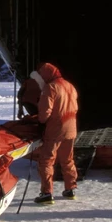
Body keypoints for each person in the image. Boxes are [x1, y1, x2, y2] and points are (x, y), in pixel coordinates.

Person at [34, 63, 79, 205]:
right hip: (71, 128)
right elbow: (75, 107)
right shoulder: (69, 85)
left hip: (56, 129)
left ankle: (46, 193)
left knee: (47, 160)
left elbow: (45, 113)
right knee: (68, 159)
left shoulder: (50, 87)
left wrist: (40, 121)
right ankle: (70, 189)